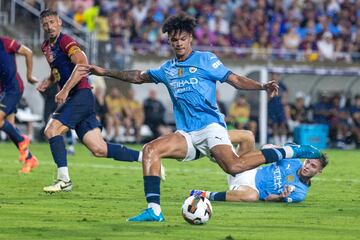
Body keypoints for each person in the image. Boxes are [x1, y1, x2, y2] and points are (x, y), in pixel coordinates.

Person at [75, 12, 320, 222]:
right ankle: (154, 210)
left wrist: (261, 86)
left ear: (190, 38)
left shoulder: (206, 59)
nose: (179, 43)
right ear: (170, 42)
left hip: (211, 127)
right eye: (174, 40)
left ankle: (291, 151)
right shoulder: (167, 69)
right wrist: (104, 72)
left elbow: (233, 79)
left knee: (234, 166)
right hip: (187, 134)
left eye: (183, 38)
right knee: (150, 150)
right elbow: (138, 76)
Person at [37, 9, 143, 193]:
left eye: (52, 22)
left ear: (60, 22)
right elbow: (59, 69)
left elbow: (82, 66)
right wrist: (50, 81)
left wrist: (65, 90)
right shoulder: (46, 46)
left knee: (52, 130)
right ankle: (145, 157)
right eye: (45, 24)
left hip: (81, 95)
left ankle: (64, 180)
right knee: (99, 148)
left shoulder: (66, 41)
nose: (49, 26)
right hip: (79, 97)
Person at [190, 130, 328, 203]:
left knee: (253, 197)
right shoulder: (293, 161)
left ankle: (204, 195)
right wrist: (273, 148)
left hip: (247, 187)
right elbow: (281, 146)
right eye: (308, 162)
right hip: (247, 167)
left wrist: (280, 196)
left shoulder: (299, 193)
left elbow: (268, 199)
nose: (307, 166)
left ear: (319, 171)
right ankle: (209, 138)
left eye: (313, 166)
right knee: (248, 136)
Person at [0, 35, 39, 173]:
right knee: (11, 128)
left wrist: (29, 76)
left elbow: (28, 52)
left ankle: (23, 139)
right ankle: (30, 159)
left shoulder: (5, 43)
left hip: (14, 89)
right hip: (3, 92)